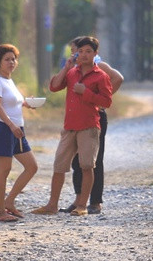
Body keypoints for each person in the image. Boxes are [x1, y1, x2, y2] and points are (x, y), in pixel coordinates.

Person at [32, 36, 113, 217]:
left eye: (88, 51)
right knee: (59, 166)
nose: (83, 55)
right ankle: (52, 205)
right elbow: (54, 87)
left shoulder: (101, 76)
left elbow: (107, 102)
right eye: (80, 51)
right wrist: (65, 68)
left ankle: (82, 205)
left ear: (95, 53)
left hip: (89, 127)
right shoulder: (71, 73)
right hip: (69, 126)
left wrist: (86, 92)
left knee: (87, 166)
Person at [59, 38, 124, 215]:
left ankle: (95, 202)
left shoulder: (98, 66)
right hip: (76, 119)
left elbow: (118, 78)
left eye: (78, 51)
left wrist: (97, 100)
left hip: (95, 117)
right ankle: (79, 200)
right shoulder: (74, 69)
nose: (76, 55)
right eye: (75, 51)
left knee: (94, 161)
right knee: (76, 161)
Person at [0, 44, 37, 223]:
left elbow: (13, 102)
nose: (11, 62)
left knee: (32, 167)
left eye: (13, 59)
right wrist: (10, 125)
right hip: (4, 128)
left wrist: (27, 103)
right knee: (4, 170)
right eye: (7, 59)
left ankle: (9, 201)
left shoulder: (10, 81)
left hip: (18, 129)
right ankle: (0, 211)